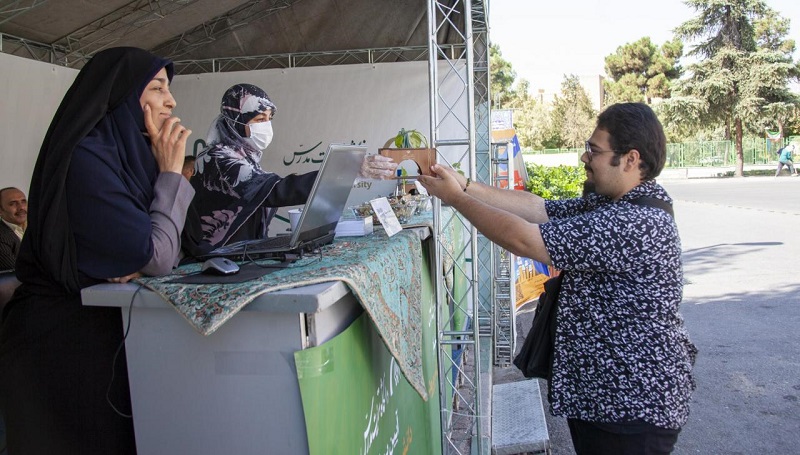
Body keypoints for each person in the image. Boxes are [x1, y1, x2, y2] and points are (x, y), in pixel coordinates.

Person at [419, 103, 697, 455]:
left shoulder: (635, 222)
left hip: (631, 407)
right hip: (607, 399)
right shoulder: (614, 204)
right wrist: (466, 186)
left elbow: (525, 239)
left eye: (594, 150)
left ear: (630, 159)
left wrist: (456, 199)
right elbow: (539, 209)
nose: (585, 157)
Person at [0, 47, 194, 454]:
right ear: (123, 95)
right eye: (158, 88)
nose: (171, 101)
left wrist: (147, 252)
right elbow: (159, 255)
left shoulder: (132, 159)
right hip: (60, 349)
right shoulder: (87, 158)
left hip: (102, 341)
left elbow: (168, 249)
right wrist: (171, 176)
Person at [182, 83, 397, 256]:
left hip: (240, 251)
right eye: (259, 119)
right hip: (214, 257)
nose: (266, 126)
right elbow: (277, 191)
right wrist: (345, 171)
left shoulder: (243, 155)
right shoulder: (218, 158)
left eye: (269, 119)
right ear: (236, 121)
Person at [0, 187, 26, 271]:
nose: (21, 207)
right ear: (0, 210)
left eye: (23, 201)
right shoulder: (2, 236)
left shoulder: (38, 229)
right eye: (13, 204)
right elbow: (18, 271)